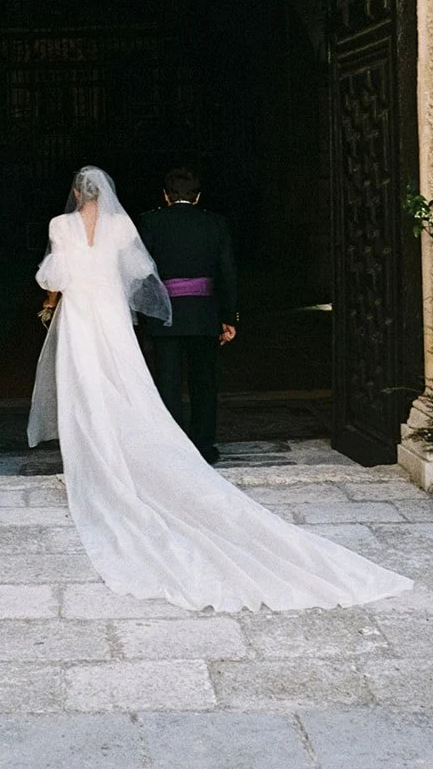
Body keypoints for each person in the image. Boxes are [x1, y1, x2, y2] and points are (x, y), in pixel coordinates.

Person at [27, 166, 412, 613]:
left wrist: (55, 297)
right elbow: (139, 273)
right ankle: (173, 442)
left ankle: (92, 445)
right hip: (121, 311)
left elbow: (54, 276)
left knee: (86, 377)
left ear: (76, 192)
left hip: (80, 311)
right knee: (128, 379)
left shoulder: (64, 225)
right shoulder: (128, 224)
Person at [138, 166, 236, 464]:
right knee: (204, 383)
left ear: (166, 195)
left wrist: (146, 314)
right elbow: (228, 272)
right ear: (197, 196)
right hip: (204, 314)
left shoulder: (150, 221)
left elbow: (141, 272)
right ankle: (204, 447)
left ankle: (172, 450)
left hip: (164, 314)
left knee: (168, 383)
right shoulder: (215, 223)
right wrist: (229, 317)